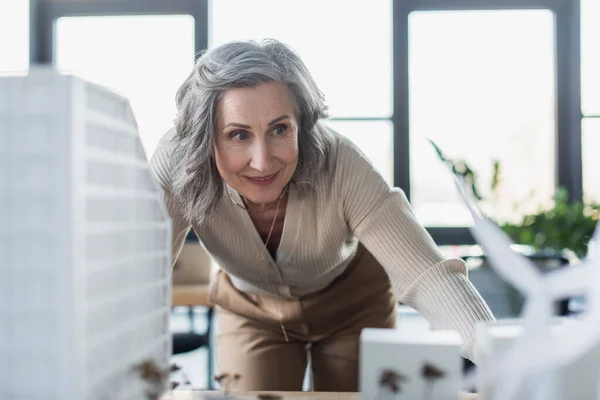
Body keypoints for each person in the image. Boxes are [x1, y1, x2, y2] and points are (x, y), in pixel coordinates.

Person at [150, 38, 494, 392]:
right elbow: (141, 277)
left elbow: (428, 276)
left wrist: (503, 356)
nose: (263, 161)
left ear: (302, 122)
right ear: (205, 137)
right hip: (252, 310)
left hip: (352, 304)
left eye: (280, 129)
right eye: (238, 135)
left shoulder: (342, 163)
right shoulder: (177, 162)